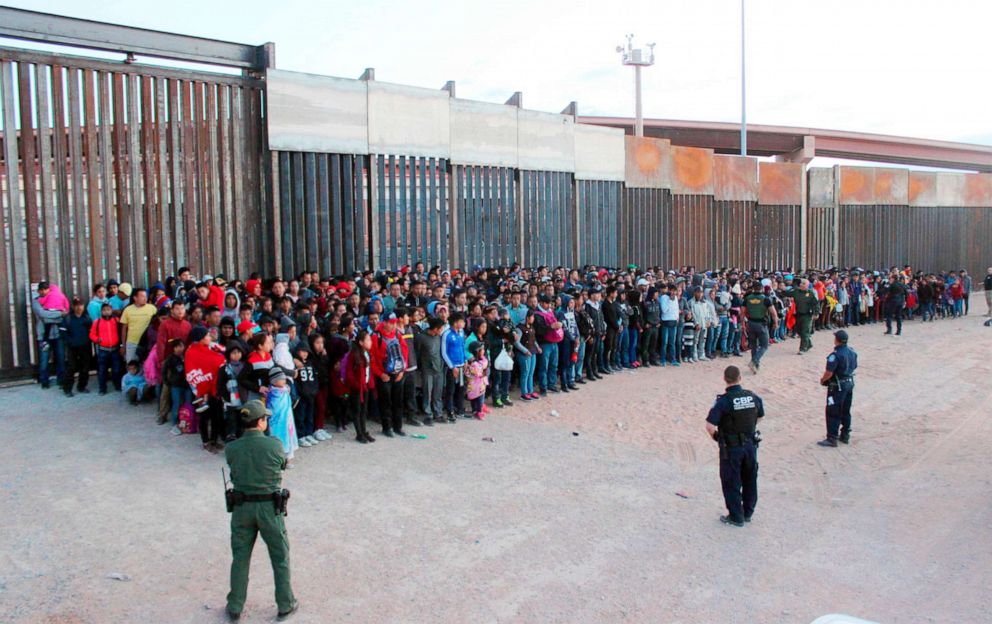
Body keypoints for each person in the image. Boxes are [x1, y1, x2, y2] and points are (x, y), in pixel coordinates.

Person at [224, 400, 298, 621]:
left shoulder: (232, 448)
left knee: (240, 557)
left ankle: (235, 605)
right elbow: (281, 465)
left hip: (241, 508)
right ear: (261, 421)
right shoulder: (274, 445)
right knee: (280, 556)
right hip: (269, 508)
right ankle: (285, 603)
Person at [705, 365, 764, 527]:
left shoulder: (723, 401)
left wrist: (719, 438)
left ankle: (736, 516)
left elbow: (710, 426)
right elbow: (760, 416)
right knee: (750, 478)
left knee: (731, 481)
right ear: (740, 378)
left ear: (725, 379)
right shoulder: (752, 397)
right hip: (750, 445)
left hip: (731, 447)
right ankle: (748, 512)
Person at [818, 329, 858, 448]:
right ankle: (845, 434)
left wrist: (823, 380)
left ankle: (832, 437)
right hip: (849, 382)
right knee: (846, 409)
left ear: (837, 340)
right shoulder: (852, 352)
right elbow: (854, 366)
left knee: (833, 410)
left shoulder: (835, 355)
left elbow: (829, 372)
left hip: (838, 385)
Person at [32, 280, 68, 389]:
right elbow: (42, 314)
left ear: (49, 289)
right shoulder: (36, 301)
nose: (43, 292)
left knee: (61, 358)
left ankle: (61, 380)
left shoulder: (56, 298)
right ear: (38, 290)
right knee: (44, 360)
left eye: (45, 289)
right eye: (41, 290)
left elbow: (65, 311)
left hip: (57, 335)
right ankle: (44, 381)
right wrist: (58, 313)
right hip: (43, 335)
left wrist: (53, 314)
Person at [743, 282, 778, 374]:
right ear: (762, 289)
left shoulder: (747, 298)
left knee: (753, 345)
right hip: (761, 324)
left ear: (753, 288)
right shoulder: (766, 299)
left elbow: (742, 312)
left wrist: (742, 323)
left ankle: (755, 366)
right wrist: (775, 323)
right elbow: (773, 313)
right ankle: (754, 361)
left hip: (750, 323)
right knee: (764, 345)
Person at [61, 298, 92, 396]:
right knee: (71, 368)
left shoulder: (87, 318)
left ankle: (82, 386)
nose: (79, 307)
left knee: (85, 367)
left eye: (81, 305)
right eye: (77, 305)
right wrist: (70, 341)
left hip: (85, 346)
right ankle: (67, 389)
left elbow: (91, 331)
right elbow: (63, 331)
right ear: (73, 307)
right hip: (72, 348)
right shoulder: (68, 318)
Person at [791, 278, 818, 354]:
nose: (801, 285)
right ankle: (808, 343)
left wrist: (816, 313)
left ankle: (802, 348)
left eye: (803, 283)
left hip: (807, 315)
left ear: (807, 285)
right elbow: (787, 293)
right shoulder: (796, 292)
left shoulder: (810, 293)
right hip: (798, 314)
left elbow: (816, 304)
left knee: (805, 331)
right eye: (801, 283)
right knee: (798, 330)